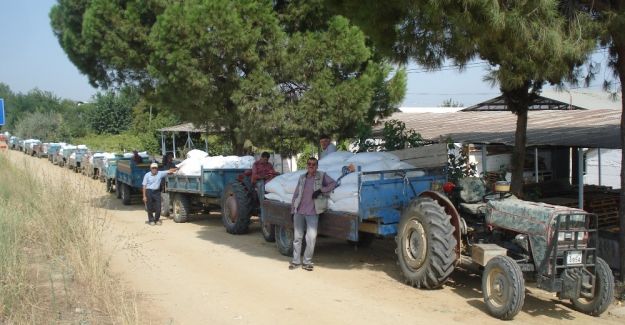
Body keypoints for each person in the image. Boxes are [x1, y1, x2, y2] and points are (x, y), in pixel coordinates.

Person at [289, 157, 336, 271]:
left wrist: (321, 190)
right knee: (297, 237)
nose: (311, 166)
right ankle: (295, 261)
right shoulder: (302, 177)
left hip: (313, 212)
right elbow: (296, 194)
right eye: (309, 164)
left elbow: (333, 183)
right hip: (299, 211)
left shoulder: (322, 176)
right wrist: (292, 209)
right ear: (307, 165)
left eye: (313, 164)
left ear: (317, 166)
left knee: (311, 238)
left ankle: (307, 262)